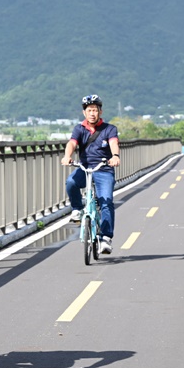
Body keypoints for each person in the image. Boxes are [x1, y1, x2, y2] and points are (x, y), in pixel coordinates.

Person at [60, 94, 121, 254]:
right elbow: (72, 143)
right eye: (89, 110)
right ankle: (77, 209)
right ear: (84, 113)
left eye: (95, 110)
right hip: (85, 168)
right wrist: (67, 156)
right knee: (71, 182)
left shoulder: (109, 129)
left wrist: (115, 156)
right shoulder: (79, 128)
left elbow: (114, 143)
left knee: (106, 202)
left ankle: (106, 238)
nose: (92, 113)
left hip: (104, 169)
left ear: (100, 112)